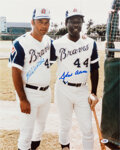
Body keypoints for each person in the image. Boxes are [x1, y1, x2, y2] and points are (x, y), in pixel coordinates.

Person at [8, 8, 56, 150]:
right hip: (28, 93)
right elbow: (15, 72)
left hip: (46, 93)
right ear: (32, 22)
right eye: (40, 22)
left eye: (46, 22)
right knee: (26, 134)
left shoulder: (49, 42)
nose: (43, 26)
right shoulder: (20, 43)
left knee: (39, 130)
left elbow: (60, 54)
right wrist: (23, 99)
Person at [53, 8, 99, 150]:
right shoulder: (57, 44)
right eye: (72, 22)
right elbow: (44, 64)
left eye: (78, 22)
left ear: (82, 23)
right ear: (66, 23)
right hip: (63, 89)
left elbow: (94, 69)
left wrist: (94, 92)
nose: (76, 25)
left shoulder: (90, 43)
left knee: (87, 128)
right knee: (64, 125)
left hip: (82, 90)